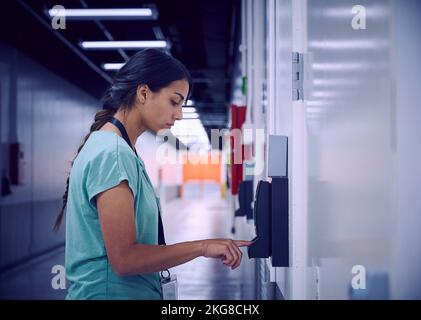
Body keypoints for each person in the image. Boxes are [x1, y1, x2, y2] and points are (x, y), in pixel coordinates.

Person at [53, 49, 251, 300]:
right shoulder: (113, 154)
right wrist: (202, 246)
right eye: (174, 101)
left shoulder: (120, 150)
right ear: (144, 93)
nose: (179, 114)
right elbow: (125, 260)